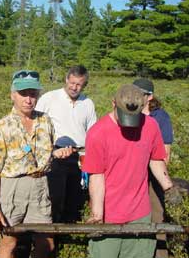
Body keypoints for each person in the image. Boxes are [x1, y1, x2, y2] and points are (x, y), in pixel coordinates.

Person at [0, 70, 73, 258]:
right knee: (9, 241)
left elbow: (46, 153)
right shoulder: (3, 127)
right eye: (23, 94)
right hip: (12, 189)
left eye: (33, 94)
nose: (28, 99)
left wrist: (57, 153)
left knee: (46, 241)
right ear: (12, 96)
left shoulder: (45, 121)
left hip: (41, 187)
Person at [82, 84, 173, 258]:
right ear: (113, 103)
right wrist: (97, 215)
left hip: (140, 213)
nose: (130, 123)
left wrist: (168, 187)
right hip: (109, 215)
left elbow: (155, 159)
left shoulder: (151, 125)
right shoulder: (98, 133)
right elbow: (97, 177)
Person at [36, 65, 96, 223]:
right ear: (66, 79)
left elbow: (92, 131)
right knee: (54, 196)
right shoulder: (49, 98)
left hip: (79, 156)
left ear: (84, 85)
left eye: (79, 84)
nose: (74, 87)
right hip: (56, 154)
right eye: (72, 82)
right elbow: (35, 124)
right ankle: (51, 235)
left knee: (75, 197)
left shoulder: (88, 103)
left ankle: (69, 231)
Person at [133, 78, 174, 258]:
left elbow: (165, 154)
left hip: (152, 178)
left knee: (156, 218)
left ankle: (160, 254)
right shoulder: (128, 112)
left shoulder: (160, 117)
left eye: (141, 93)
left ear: (150, 97)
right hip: (130, 176)